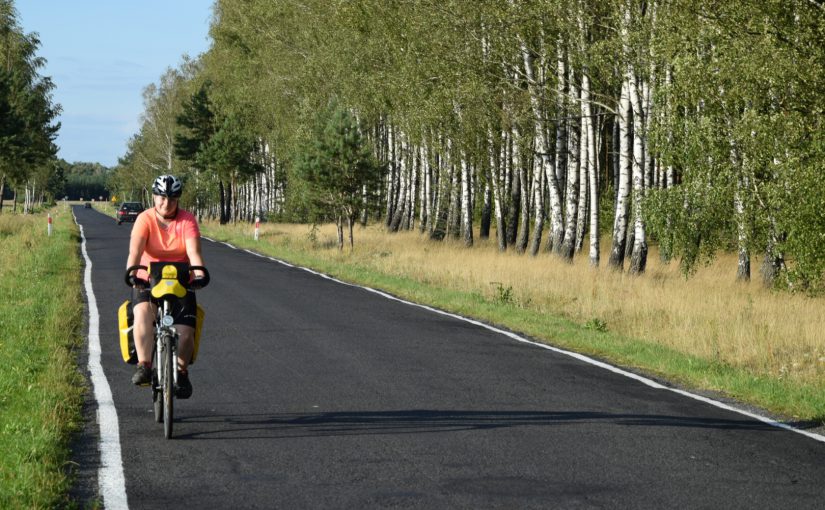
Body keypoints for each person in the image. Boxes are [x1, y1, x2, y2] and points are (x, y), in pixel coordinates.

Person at [125, 175, 205, 398]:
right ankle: (144, 365)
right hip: (148, 276)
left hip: (179, 276)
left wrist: (198, 274)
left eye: (171, 199)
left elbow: (194, 253)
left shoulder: (187, 220)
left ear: (178, 199)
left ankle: (181, 371)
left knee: (186, 332)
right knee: (141, 314)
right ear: (154, 197)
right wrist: (132, 272)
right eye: (161, 198)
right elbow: (135, 252)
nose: (166, 203)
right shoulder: (145, 219)